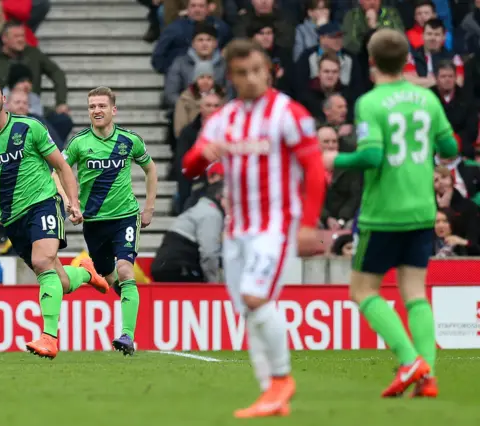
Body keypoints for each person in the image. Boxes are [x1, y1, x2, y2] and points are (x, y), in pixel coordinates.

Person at [182, 39, 326, 418]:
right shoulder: (223, 118)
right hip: (237, 229)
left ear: (269, 70)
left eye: (257, 70)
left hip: (275, 226)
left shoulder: (288, 113)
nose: (251, 78)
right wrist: (202, 155)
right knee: (249, 312)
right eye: (242, 73)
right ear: (231, 76)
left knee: (255, 299)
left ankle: (281, 379)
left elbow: (314, 170)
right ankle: (270, 396)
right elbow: (189, 166)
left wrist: (308, 225)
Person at [323, 28, 459, 398]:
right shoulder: (427, 98)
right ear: (406, 62)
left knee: (363, 289)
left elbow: (371, 156)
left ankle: (408, 359)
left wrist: (334, 158)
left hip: (383, 214)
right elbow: (449, 146)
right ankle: (427, 375)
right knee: (415, 291)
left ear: (371, 62)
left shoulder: (371, 102)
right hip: (421, 209)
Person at [0, 75, 109, 360]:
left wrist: (72, 201)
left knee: (43, 262)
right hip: (12, 219)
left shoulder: (29, 127)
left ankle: (49, 337)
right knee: (62, 283)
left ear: (4, 98)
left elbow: (62, 166)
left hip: (43, 203)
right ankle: (85, 271)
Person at [62, 86, 158, 356]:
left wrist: (149, 208)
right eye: (92, 106)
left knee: (126, 270)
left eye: (102, 106)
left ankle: (127, 335)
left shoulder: (129, 141)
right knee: (112, 277)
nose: (96, 111)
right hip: (93, 223)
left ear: (113, 110)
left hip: (125, 217)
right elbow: (58, 170)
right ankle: (106, 283)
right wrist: (72, 202)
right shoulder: (79, 143)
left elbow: (150, 169)